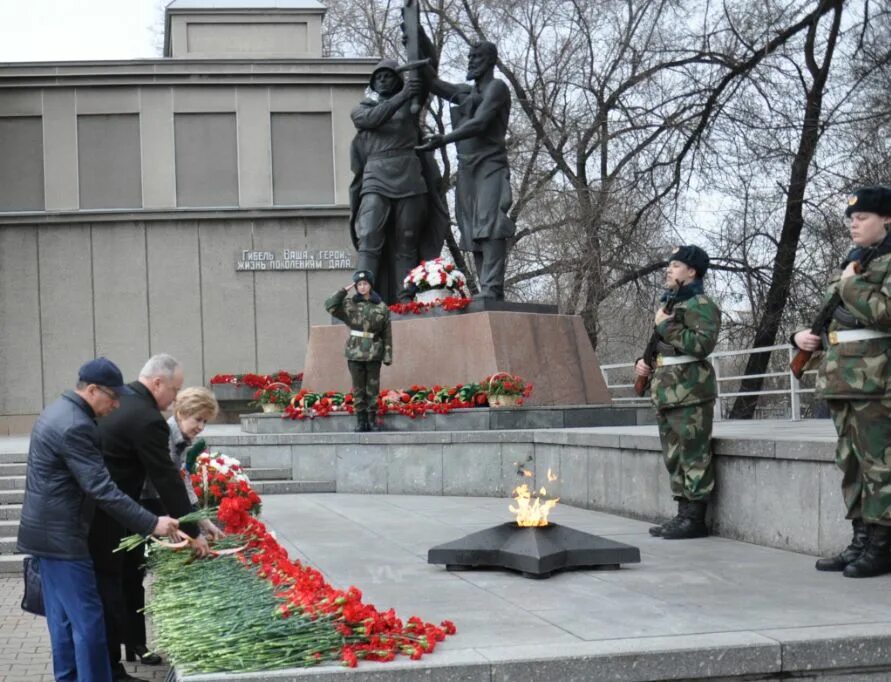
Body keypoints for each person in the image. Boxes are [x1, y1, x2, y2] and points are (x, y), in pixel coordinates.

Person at [16, 358, 179, 682]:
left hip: (43, 535)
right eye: (112, 397)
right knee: (90, 623)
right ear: (92, 390)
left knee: (62, 623)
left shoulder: (55, 411)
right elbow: (103, 489)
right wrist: (152, 523)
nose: (116, 404)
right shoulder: (77, 425)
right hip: (64, 539)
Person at [88, 353, 210, 681]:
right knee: (112, 589)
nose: (174, 400)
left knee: (119, 584)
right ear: (157, 383)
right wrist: (192, 530)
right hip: (111, 516)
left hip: (106, 512)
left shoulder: (122, 402)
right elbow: (165, 478)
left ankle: (123, 654)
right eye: (174, 390)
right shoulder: (146, 417)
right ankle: (112, 669)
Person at [794, 185, 891, 578]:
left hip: (878, 381)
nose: (854, 225)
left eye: (862, 218)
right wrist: (801, 339)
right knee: (850, 464)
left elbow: (885, 314)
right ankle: (861, 539)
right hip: (842, 378)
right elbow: (833, 319)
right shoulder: (855, 262)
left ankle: (883, 544)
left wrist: (849, 284)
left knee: (880, 464)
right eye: (851, 219)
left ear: (887, 219)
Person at [121, 387, 224, 666]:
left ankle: (136, 641)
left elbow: (183, 482)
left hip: (158, 506)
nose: (201, 427)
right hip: (144, 508)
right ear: (181, 413)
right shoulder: (164, 436)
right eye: (197, 420)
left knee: (137, 577)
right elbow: (166, 484)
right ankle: (136, 643)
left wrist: (202, 520)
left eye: (205, 421)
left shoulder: (179, 438)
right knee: (132, 577)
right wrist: (193, 531)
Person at [634, 245, 721, 539]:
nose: (668, 270)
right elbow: (661, 344)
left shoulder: (701, 304)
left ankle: (695, 518)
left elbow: (702, 345)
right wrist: (644, 363)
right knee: (674, 456)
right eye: (669, 265)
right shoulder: (670, 305)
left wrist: (667, 326)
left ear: (692, 271)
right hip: (666, 388)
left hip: (690, 390)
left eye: (675, 265)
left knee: (693, 454)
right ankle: (682, 513)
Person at [416, 39, 514, 300]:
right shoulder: (465, 93)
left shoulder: (498, 88)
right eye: (469, 56)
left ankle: (492, 288)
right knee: (471, 228)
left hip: (490, 165)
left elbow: (480, 122)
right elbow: (433, 83)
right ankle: (486, 289)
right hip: (467, 169)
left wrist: (443, 140)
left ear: (490, 60)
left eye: (476, 56)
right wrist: (419, 40)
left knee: (490, 223)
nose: (471, 61)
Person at [349, 59, 449, 303]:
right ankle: (364, 295)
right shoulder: (362, 109)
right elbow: (370, 120)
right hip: (376, 176)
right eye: (378, 77)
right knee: (370, 234)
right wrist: (404, 94)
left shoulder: (413, 104)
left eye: (388, 76)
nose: (383, 80)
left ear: (399, 78)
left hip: (410, 177)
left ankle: (406, 297)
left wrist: (415, 37)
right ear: (372, 83)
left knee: (408, 239)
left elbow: (428, 63)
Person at [325, 270, 393, 432]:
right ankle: (361, 421)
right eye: (359, 284)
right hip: (355, 351)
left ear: (370, 285)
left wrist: (388, 355)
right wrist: (343, 290)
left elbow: (387, 333)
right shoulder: (349, 304)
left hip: (374, 351)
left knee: (372, 389)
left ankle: (372, 420)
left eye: (365, 284)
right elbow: (330, 305)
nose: (362, 287)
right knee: (358, 389)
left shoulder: (381, 307)